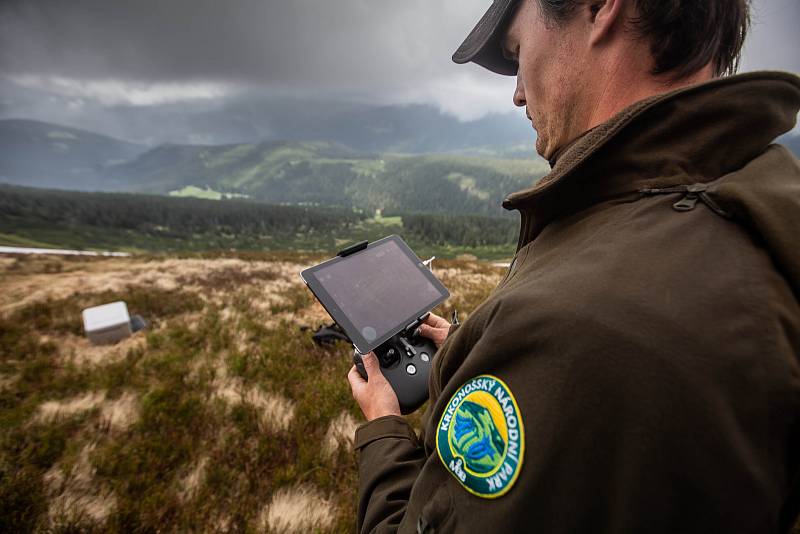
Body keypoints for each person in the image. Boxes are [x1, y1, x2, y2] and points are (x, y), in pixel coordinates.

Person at [347, 0, 800, 531]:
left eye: (517, 54)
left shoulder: (571, 325)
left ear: (602, 8)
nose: (517, 92)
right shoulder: (766, 208)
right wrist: (482, 356)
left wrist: (383, 426)